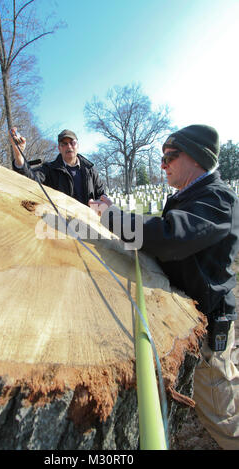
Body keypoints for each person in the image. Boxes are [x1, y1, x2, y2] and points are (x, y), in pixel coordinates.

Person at [89, 124, 239, 450]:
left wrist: (112, 217)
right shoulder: (193, 195)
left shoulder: (217, 198)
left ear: (197, 158)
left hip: (211, 319)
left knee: (218, 407)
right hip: (199, 311)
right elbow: (161, 231)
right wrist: (117, 212)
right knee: (222, 379)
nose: (163, 164)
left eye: (171, 156)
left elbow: (170, 238)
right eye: (162, 157)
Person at [10, 128, 105, 206]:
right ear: (59, 148)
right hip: (61, 224)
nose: (69, 146)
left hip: (89, 224)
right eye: (64, 144)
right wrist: (19, 154)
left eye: (72, 143)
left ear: (78, 145)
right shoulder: (49, 169)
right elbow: (29, 178)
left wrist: (99, 204)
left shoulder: (90, 170)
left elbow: (101, 196)